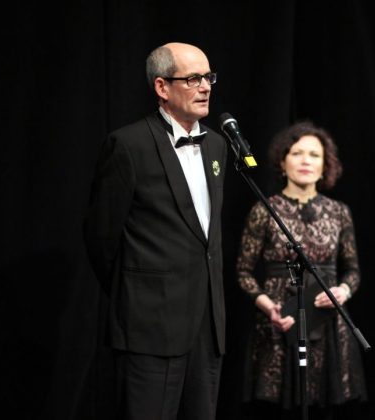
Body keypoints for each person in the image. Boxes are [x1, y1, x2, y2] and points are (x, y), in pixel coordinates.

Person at [84, 42, 227, 420]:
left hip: (207, 326)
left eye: (208, 77)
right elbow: (101, 237)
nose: (205, 87)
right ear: (162, 87)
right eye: (193, 79)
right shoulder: (128, 145)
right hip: (149, 325)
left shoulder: (217, 145)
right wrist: (138, 294)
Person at [236, 121, 367, 419]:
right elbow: (243, 272)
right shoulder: (264, 210)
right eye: (297, 153)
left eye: (314, 155)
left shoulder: (339, 212)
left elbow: (353, 271)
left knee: (326, 408)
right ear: (282, 162)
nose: (306, 160)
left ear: (325, 166)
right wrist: (268, 306)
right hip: (279, 321)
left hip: (328, 322)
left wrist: (342, 291)